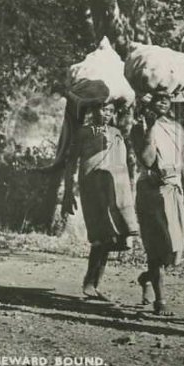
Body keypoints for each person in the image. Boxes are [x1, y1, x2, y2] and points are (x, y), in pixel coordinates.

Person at [62, 100, 140, 301]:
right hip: (92, 186)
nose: (106, 113)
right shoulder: (84, 132)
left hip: (115, 187)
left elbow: (122, 162)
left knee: (114, 236)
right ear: (94, 109)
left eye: (111, 110)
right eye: (103, 109)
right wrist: (68, 192)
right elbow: (71, 161)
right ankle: (90, 283)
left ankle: (93, 283)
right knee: (100, 235)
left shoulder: (116, 132)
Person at [132, 92, 184, 316]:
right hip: (151, 191)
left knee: (174, 248)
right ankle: (160, 300)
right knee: (157, 246)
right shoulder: (138, 126)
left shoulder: (176, 128)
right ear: (148, 100)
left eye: (166, 98)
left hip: (174, 188)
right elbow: (148, 160)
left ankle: (147, 278)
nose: (162, 101)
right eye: (157, 97)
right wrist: (150, 129)